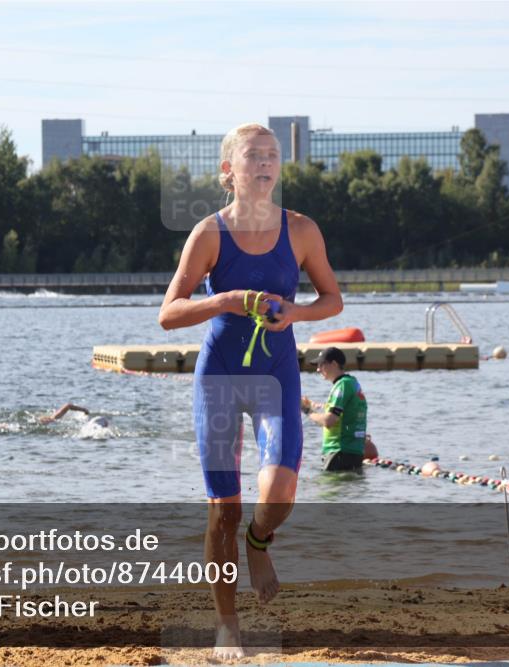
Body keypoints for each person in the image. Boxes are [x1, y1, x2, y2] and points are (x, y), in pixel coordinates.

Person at [158, 122, 342, 659]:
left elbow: (332, 299)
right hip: (219, 376)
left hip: (276, 371)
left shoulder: (302, 230)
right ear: (228, 172)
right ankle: (227, 625)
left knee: (280, 491)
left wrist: (298, 313)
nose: (265, 163)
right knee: (224, 508)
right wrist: (225, 300)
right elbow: (168, 314)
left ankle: (260, 542)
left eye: (273, 155)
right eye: (254, 155)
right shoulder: (208, 234)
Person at [301, 347, 377, 471]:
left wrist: (306, 410)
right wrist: (312, 406)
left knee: (329, 489)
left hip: (339, 453)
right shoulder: (352, 383)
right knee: (348, 489)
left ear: (334, 364)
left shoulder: (342, 385)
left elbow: (329, 421)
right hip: (352, 452)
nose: (318, 369)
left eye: (321, 364)